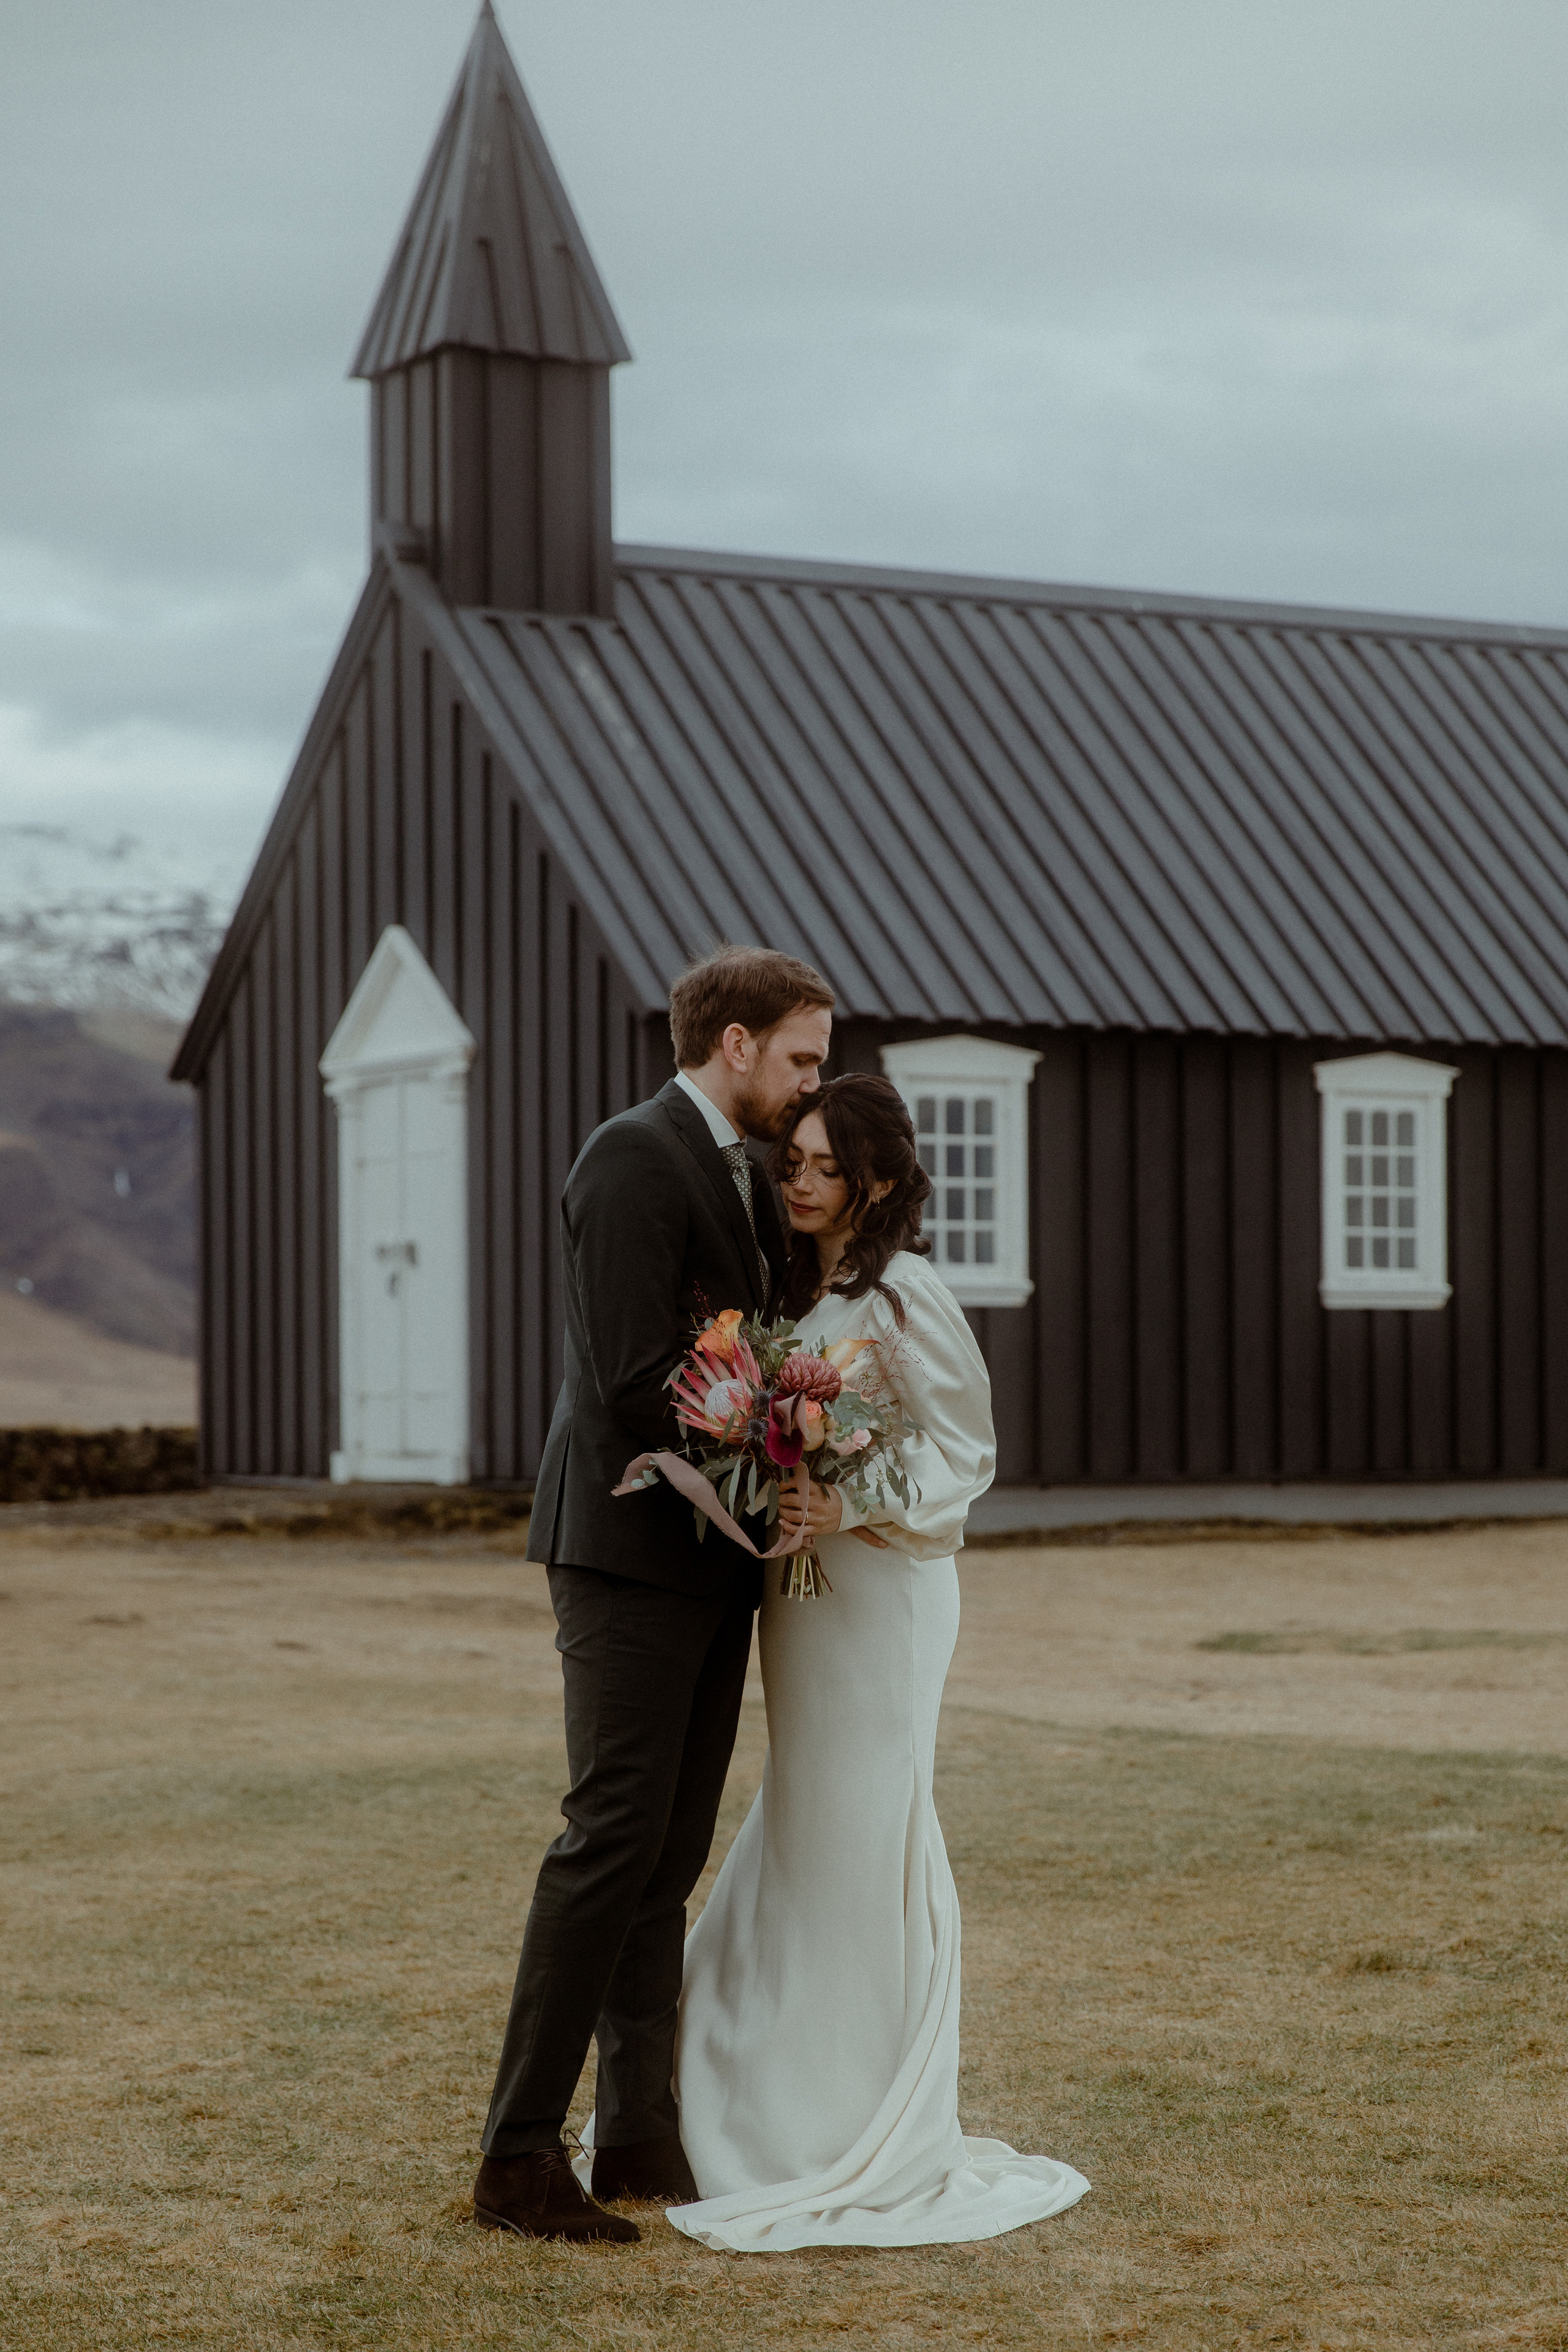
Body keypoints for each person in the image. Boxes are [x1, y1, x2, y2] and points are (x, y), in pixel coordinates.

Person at [664, 1072, 1090, 2250]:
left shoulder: (906, 1294)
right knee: (805, 1812)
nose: (796, 1181)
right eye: (791, 1161)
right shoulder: (805, 1290)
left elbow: (965, 1456)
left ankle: (836, 2116)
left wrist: (844, 1507)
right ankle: (751, 2078)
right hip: (802, 1598)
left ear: (881, 1179)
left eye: (821, 1166)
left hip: (884, 1595)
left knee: (860, 1821)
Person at [472, 945, 834, 2245]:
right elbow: (633, 1376)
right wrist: (778, 1435)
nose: (811, 1087)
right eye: (801, 1059)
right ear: (732, 1045)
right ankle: (516, 2159)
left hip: (709, 1561)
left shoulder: (737, 1175)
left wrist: (791, 1432)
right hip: (626, 1549)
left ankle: (634, 2136)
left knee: (667, 1854)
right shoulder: (629, 1156)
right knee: (608, 1840)